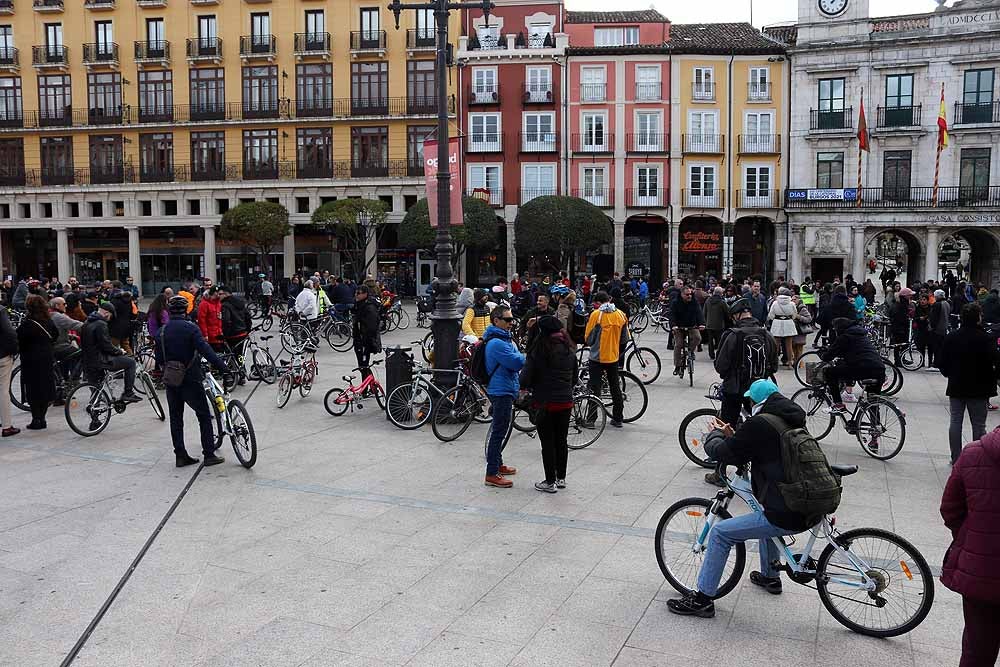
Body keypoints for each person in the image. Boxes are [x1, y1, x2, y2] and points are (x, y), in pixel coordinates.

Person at [667, 380, 815, 617]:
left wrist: (713, 437)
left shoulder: (759, 422)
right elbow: (757, 446)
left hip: (789, 512)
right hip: (808, 500)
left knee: (721, 533)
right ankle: (770, 576)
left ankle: (703, 600)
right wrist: (736, 437)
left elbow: (725, 452)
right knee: (765, 512)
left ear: (755, 401)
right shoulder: (789, 418)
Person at [940, 425, 1000, 667]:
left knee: (977, 651)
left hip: (980, 572)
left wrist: (972, 537)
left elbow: (950, 509)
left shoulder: (974, 453)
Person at [159, 295, 228, 467]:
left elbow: (159, 358)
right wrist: (223, 367)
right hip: (191, 379)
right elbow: (206, 351)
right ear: (186, 309)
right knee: (204, 415)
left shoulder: (162, 331)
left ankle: (180, 455)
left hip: (171, 380)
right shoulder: (191, 328)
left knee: (176, 418)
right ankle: (209, 454)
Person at [937, 303, 1000, 465]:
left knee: (955, 421)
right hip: (980, 388)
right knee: (979, 424)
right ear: (978, 318)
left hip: (957, 385)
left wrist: (950, 373)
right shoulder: (986, 338)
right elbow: (995, 361)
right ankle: (977, 459)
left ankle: (956, 458)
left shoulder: (952, 337)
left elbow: (942, 362)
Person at [520, 315, 576, 493]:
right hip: (565, 402)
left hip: (545, 403)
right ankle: (561, 478)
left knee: (548, 443)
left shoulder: (538, 350)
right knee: (561, 440)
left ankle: (549, 481)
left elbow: (525, 379)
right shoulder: (569, 350)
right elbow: (574, 379)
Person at [483, 305, 525, 488]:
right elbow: (516, 362)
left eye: (512, 319)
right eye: (507, 320)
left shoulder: (503, 340)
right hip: (501, 391)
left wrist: (517, 353)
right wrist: (522, 355)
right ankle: (492, 473)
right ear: (496, 321)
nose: (511, 323)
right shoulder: (497, 343)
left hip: (505, 387)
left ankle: (498, 464)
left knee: (500, 429)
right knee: (499, 432)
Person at [820, 317, 885, 414]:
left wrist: (822, 354)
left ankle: (838, 405)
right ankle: (876, 426)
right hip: (879, 369)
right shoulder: (862, 336)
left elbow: (827, 357)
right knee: (873, 402)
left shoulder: (844, 337)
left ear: (839, 328)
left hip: (863, 368)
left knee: (830, 373)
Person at [81, 302, 141, 404]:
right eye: (110, 316)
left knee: (96, 391)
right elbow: (106, 346)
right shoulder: (101, 324)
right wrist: (119, 351)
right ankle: (128, 393)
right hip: (101, 360)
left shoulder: (87, 322)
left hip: (88, 361)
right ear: (106, 313)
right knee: (130, 363)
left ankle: (94, 415)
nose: (109, 319)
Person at [585, 292, 627, 427]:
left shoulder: (596, 315)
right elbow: (624, 339)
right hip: (613, 357)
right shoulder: (620, 314)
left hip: (596, 358)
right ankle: (618, 418)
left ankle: (591, 419)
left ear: (599, 302)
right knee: (615, 387)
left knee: (594, 388)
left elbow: (588, 339)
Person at [16, 295, 59, 429]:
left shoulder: (27, 323)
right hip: (46, 357)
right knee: (45, 387)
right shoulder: (48, 321)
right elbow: (55, 335)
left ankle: (36, 419)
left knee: (33, 389)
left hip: (30, 359)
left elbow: (19, 340)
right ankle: (43, 418)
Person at [670, 286, 705, 377]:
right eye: (687, 294)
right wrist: (674, 326)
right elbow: (672, 315)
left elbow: (699, 313)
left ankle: (690, 351)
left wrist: (701, 323)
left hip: (691, 325)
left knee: (697, 338)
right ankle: (678, 365)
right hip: (679, 327)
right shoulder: (675, 303)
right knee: (678, 345)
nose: (689, 296)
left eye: (690, 294)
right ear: (681, 294)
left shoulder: (694, 302)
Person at [351, 285, 381, 383]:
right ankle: (371, 386)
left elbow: (371, 327)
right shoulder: (359, 304)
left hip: (364, 341)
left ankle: (367, 388)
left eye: (358, 293)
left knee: (363, 365)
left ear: (365, 294)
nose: (356, 295)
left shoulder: (369, 307)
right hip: (359, 340)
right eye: (356, 293)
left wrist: (365, 340)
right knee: (363, 366)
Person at [766, 287, 798, 368]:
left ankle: (774, 362)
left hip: (777, 323)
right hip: (788, 323)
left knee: (776, 345)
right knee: (789, 345)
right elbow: (794, 315)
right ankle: (790, 363)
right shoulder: (792, 303)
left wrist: (776, 318)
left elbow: (771, 315)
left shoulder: (775, 303)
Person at [0, 305, 16, 436]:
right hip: (1, 355)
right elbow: (9, 332)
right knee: (3, 390)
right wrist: (13, 350)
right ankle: (6, 426)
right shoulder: (0, 310)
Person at [703, 286, 730, 360]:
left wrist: (706, 321)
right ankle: (719, 354)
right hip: (719, 325)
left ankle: (711, 354)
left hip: (709, 324)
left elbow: (704, 312)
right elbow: (727, 312)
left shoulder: (708, 300)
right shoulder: (722, 302)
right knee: (719, 341)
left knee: (710, 341)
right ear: (721, 293)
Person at [929, 289, 951, 371]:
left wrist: (932, 327)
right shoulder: (947, 304)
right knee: (941, 347)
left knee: (936, 347)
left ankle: (936, 363)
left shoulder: (937, 304)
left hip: (937, 329)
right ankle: (940, 362)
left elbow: (934, 318)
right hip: (944, 328)